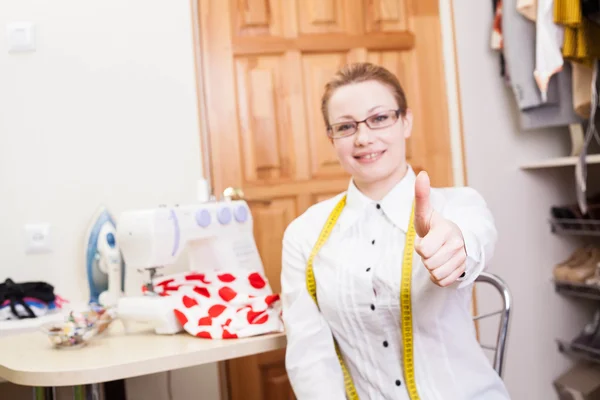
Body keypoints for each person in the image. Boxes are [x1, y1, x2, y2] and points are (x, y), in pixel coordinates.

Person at [279, 62, 511, 400]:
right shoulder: (303, 235)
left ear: (406, 121)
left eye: (379, 118)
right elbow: (309, 358)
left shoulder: (458, 206)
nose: (363, 138)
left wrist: (455, 250)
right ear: (331, 138)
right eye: (345, 127)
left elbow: (473, 243)